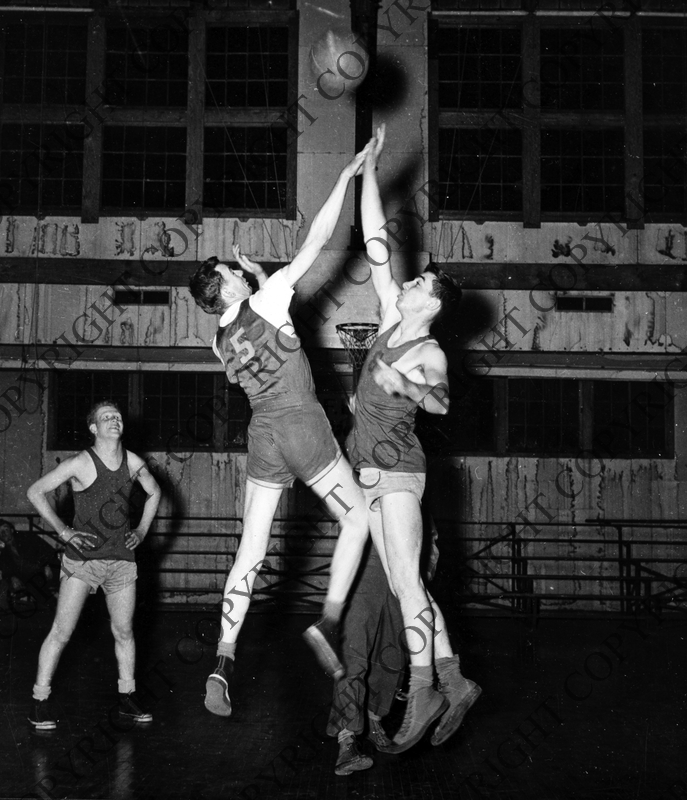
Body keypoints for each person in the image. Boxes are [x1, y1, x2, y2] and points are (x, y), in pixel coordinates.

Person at [188, 148, 371, 717]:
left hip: (262, 437)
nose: (236, 270)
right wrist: (342, 178)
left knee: (251, 551)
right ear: (225, 289)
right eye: (228, 272)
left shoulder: (218, 340)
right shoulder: (263, 300)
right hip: (301, 426)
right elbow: (315, 243)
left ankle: (222, 662)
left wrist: (259, 278)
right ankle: (330, 621)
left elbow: (264, 320)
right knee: (359, 517)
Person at [346, 126, 480, 753]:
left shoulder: (425, 349)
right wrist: (368, 171)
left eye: (419, 284)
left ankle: (425, 686)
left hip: (400, 469)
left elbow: (442, 402)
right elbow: (375, 239)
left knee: (405, 580)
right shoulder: (392, 314)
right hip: (370, 469)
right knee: (407, 586)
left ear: (433, 304)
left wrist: (402, 382)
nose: (406, 282)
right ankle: (452, 678)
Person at [25, 401, 161, 731]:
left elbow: (154, 492)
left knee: (124, 631)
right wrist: (63, 531)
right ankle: (39, 701)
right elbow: (35, 491)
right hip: (82, 562)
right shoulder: (80, 463)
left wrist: (141, 531)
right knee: (62, 631)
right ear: (93, 428)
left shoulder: (133, 462)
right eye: (105, 418)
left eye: (116, 417)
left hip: (121, 563)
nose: (114, 420)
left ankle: (127, 697)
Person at [326, 541, 405, 776]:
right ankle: (346, 739)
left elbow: (429, 535)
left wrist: (424, 573)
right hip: (361, 568)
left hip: (401, 570)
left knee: (393, 655)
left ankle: (375, 719)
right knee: (353, 655)